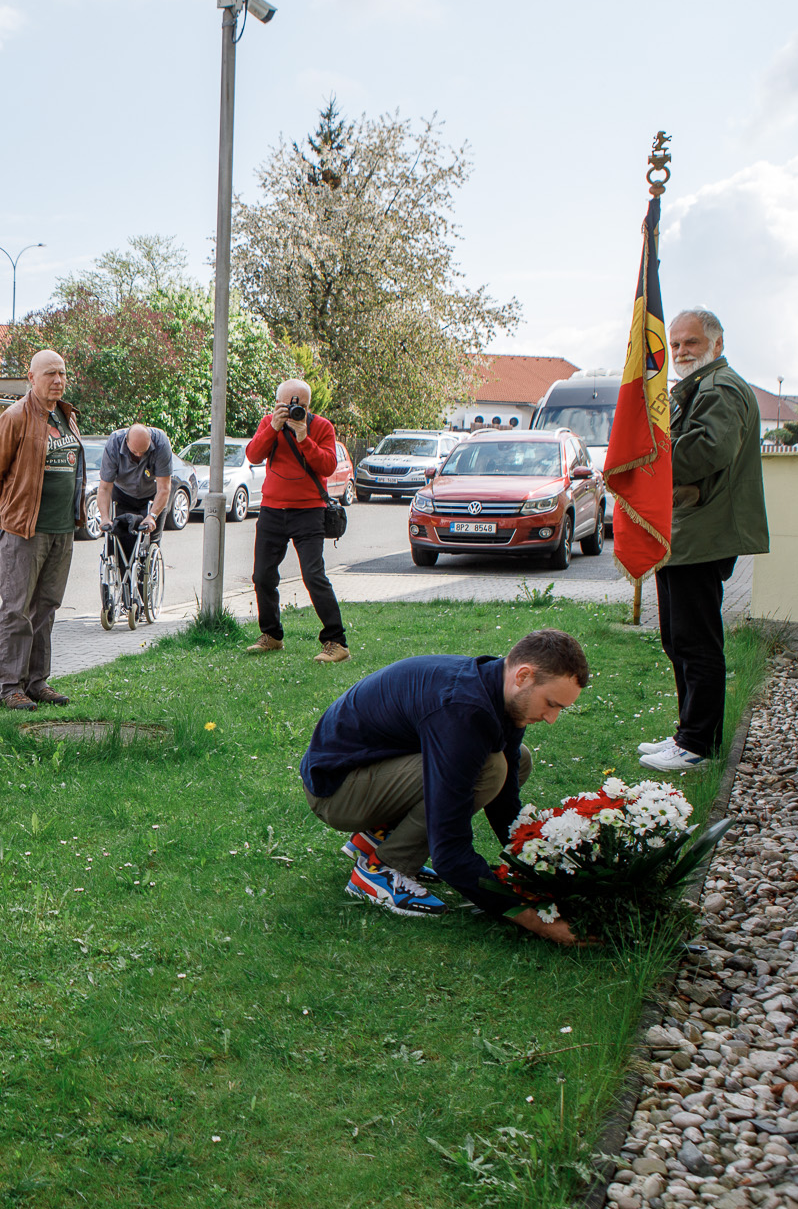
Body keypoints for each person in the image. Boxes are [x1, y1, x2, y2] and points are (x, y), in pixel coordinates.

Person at [299, 628, 591, 945]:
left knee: (516, 760)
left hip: (368, 771)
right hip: (336, 791)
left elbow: (505, 800)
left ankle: (379, 836)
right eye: (551, 703)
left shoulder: (500, 689)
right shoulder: (464, 710)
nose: (552, 718)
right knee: (489, 769)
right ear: (523, 675)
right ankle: (381, 869)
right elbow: (450, 852)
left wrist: (534, 864)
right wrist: (536, 922)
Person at [640, 309, 768, 773]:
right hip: (685, 530)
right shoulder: (698, 387)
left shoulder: (720, 387)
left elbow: (708, 450)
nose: (679, 353)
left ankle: (698, 743)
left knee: (696, 642)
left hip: (703, 531)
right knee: (678, 638)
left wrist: (649, 448)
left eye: (690, 343)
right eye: (674, 345)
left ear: (716, 343)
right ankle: (687, 735)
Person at [0, 348, 84, 712]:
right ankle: (10, 685)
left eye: (61, 373)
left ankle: (37, 681)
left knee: (46, 608)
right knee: (17, 610)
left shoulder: (66, 415)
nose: (57, 380)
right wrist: (8, 516)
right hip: (26, 530)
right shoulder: (15, 417)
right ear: (31, 377)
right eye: (49, 374)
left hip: (63, 529)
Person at [244, 379, 348, 662]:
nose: (293, 409)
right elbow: (253, 454)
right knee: (263, 576)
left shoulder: (322, 427)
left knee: (314, 575)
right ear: (277, 402)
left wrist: (304, 438)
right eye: (288, 403)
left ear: (308, 406)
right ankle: (272, 636)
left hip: (309, 511)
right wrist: (273, 428)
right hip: (272, 510)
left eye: (299, 404)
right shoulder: (269, 422)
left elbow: (327, 466)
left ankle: (336, 642)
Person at [94, 421, 173, 590]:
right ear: (126, 442)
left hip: (153, 496)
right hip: (123, 494)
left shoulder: (161, 443)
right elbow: (105, 487)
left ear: (150, 441)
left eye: (142, 452)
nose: (138, 455)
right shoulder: (114, 443)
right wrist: (105, 518)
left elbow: (164, 488)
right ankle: (125, 591)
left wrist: (152, 516)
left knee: (149, 542)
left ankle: (146, 589)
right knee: (121, 541)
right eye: (134, 451)